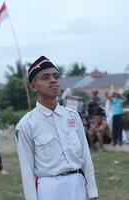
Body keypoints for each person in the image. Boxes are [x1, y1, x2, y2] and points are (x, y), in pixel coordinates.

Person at [15, 56, 98, 200]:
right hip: (49, 189)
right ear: (33, 86)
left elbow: (86, 157)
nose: (53, 80)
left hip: (78, 184)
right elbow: (27, 171)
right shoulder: (26, 124)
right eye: (45, 77)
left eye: (56, 76)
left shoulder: (72, 116)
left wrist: (92, 193)